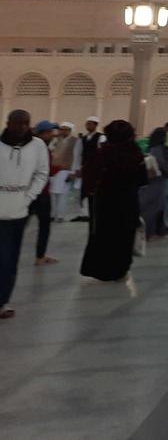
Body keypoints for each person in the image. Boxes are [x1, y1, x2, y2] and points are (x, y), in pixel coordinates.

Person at [79, 120, 146, 283]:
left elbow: (89, 174)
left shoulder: (103, 152)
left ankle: (102, 270)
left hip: (105, 202)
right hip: (127, 201)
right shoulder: (135, 153)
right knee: (124, 235)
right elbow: (142, 179)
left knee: (104, 234)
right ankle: (121, 270)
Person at [0, 110, 49, 317]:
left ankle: (2, 301)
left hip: (18, 211)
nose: (21, 127)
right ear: (8, 123)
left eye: (26, 123)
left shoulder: (37, 146)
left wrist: (28, 197)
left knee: (9, 259)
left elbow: (41, 173)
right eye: (17, 123)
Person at [28, 121, 57, 266]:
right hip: (41, 193)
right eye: (50, 132)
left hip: (28, 192)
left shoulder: (30, 146)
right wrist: (59, 168)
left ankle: (40, 256)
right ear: (42, 133)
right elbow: (46, 171)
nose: (52, 134)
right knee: (44, 226)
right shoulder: (41, 148)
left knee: (19, 225)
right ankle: (40, 257)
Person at [69, 116, 103, 221]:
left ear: (95, 125)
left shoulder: (101, 137)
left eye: (90, 124)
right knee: (81, 191)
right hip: (84, 168)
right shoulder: (83, 139)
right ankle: (82, 214)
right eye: (87, 124)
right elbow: (78, 154)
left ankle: (91, 214)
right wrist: (76, 169)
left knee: (92, 192)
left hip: (95, 170)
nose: (88, 126)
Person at [140, 127, 168, 241]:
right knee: (153, 207)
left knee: (158, 206)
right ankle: (149, 232)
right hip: (157, 181)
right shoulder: (158, 149)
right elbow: (162, 164)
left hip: (155, 180)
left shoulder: (152, 147)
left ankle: (159, 230)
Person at [49, 122, 76, 223]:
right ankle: (52, 214)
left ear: (70, 130)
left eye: (66, 129)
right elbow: (50, 151)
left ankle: (60, 215)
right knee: (52, 194)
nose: (63, 131)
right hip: (54, 170)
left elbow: (76, 157)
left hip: (66, 171)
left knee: (63, 195)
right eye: (62, 129)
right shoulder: (55, 140)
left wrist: (72, 172)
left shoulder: (75, 141)